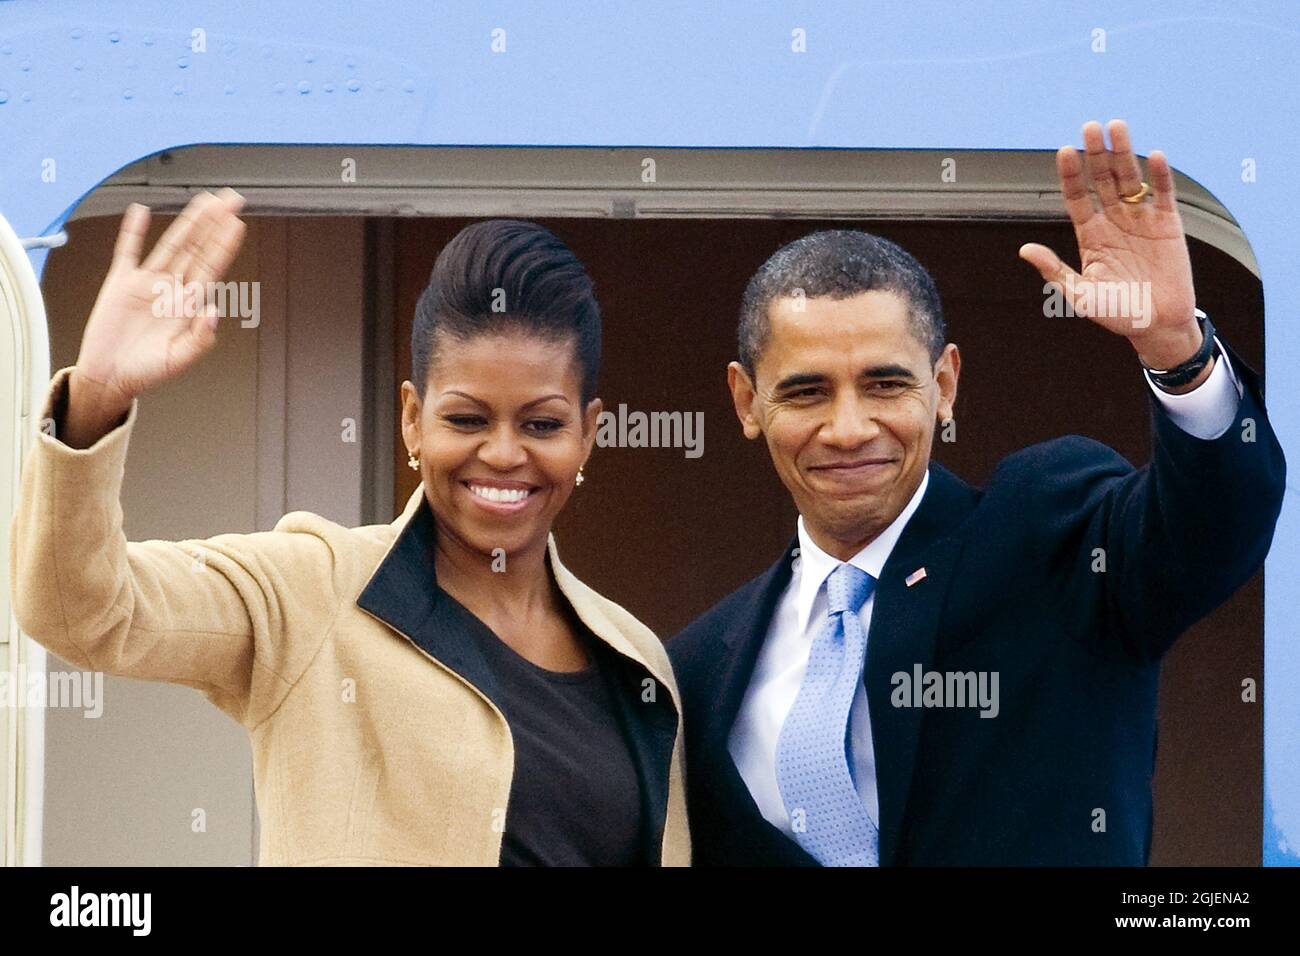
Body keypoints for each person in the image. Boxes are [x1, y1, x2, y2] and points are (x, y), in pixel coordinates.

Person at [666, 119, 1286, 866]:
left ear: (945, 385)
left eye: (886, 384)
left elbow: (1213, 528)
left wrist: (1177, 353)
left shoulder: (1047, 538)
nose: (848, 428)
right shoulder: (696, 668)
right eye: (805, 393)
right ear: (745, 402)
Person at [8, 191, 689, 866]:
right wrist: (97, 396)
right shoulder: (311, 590)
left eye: (542, 424)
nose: (505, 454)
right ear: (411, 421)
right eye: (467, 420)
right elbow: (83, 610)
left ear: (589, 434)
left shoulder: (636, 660)